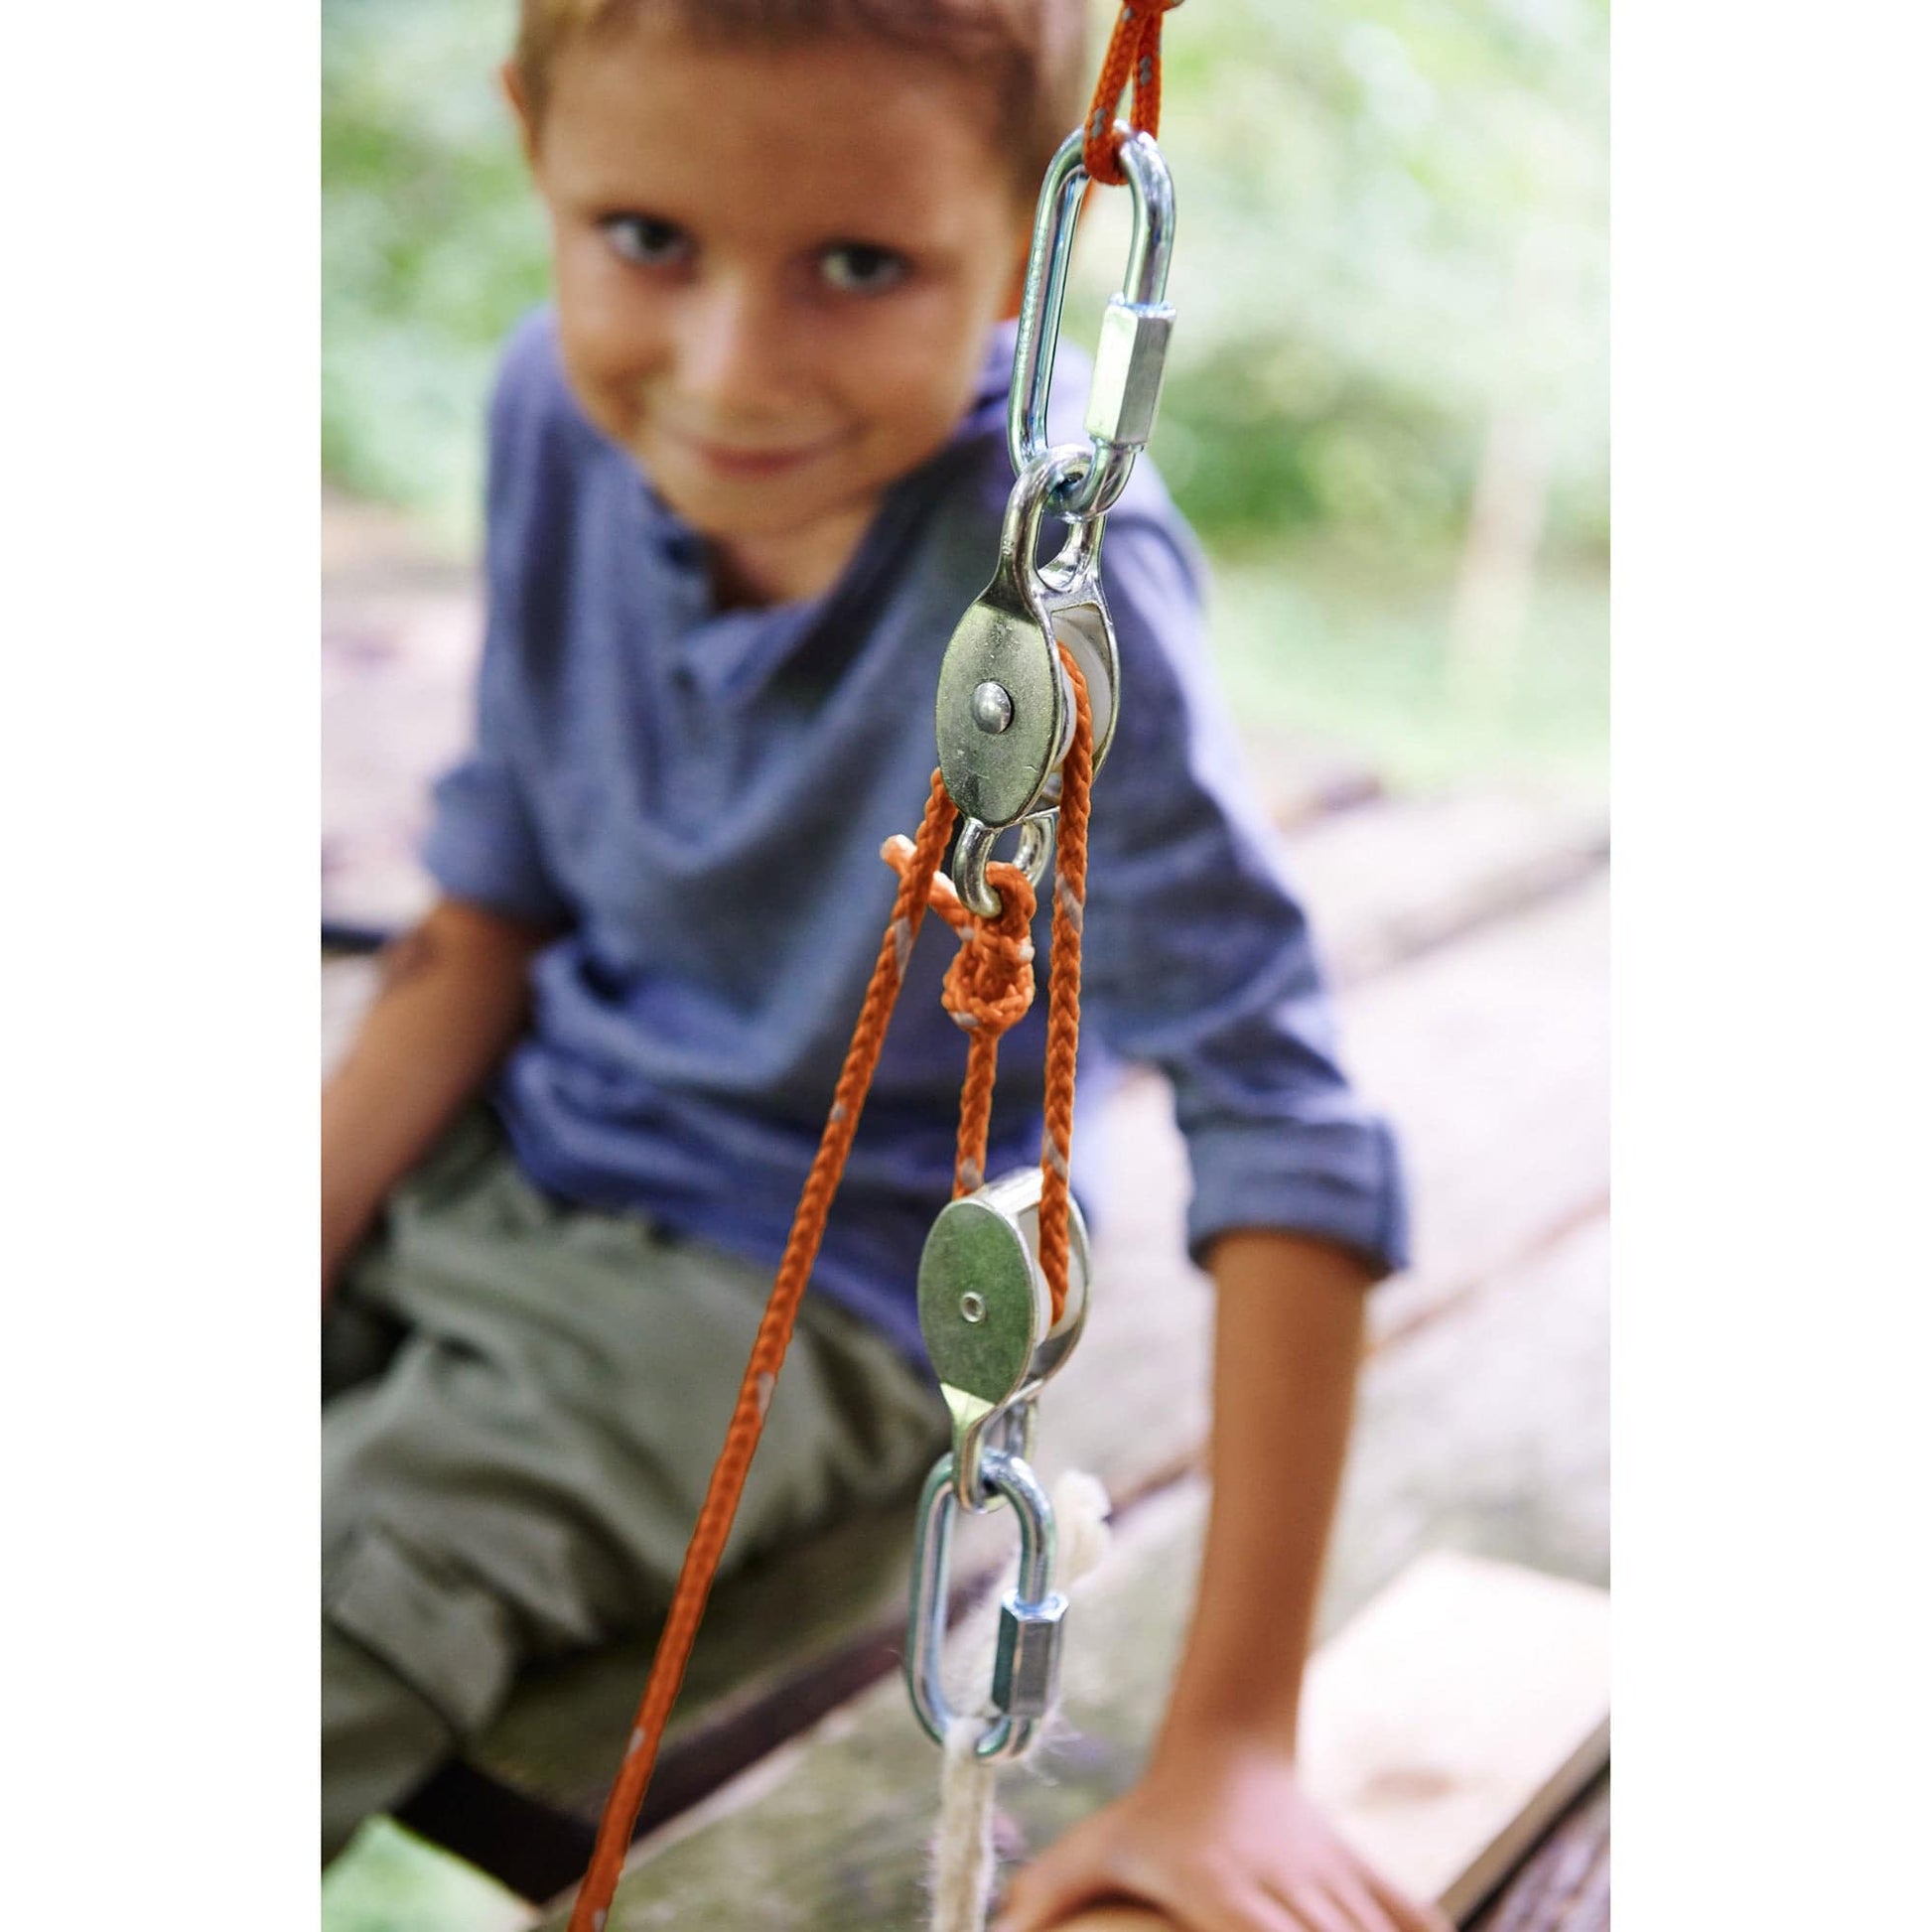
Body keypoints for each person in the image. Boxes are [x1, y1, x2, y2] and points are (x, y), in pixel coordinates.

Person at [321, 3, 1442, 1927]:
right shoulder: (551, 416)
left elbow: (1281, 1112)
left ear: (1022, 248)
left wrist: (1234, 1743)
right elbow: (488, 906)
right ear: (532, 145)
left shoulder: (1057, 601)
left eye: (856, 264)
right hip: (504, 1140)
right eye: (646, 239)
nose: (730, 367)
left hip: (784, 1275)